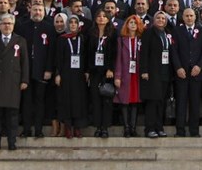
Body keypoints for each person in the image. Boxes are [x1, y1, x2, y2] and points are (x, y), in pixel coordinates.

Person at [0, 13, 29, 151]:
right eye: (4, 23)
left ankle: (12, 142)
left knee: (12, 116)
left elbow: (25, 63)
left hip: (13, 82)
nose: (7, 26)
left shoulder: (20, 40)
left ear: (13, 25)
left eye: (9, 23)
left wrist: (24, 80)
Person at [18, 2, 53, 139]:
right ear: (30, 11)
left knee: (39, 101)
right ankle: (26, 129)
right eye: (35, 10)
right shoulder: (22, 27)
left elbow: (51, 51)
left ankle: (38, 129)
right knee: (26, 101)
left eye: (40, 10)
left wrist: (49, 69)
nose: (37, 12)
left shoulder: (49, 28)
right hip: (26, 70)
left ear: (44, 12)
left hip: (42, 70)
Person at [139, 11, 176, 138]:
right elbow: (144, 53)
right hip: (152, 72)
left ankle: (159, 127)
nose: (161, 20)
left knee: (162, 102)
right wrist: (144, 70)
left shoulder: (167, 33)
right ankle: (150, 128)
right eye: (158, 18)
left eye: (163, 18)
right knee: (152, 101)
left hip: (165, 72)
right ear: (154, 20)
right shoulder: (149, 33)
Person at [173, 6, 202, 137]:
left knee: (195, 102)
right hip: (181, 73)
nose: (189, 18)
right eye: (186, 16)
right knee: (181, 102)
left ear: (195, 17)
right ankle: (180, 130)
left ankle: (194, 131)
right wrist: (178, 67)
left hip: (196, 73)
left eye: (191, 16)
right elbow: (174, 51)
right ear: (183, 17)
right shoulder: (177, 31)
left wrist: (199, 66)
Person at [53, 14, 88, 138]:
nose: (73, 24)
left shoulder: (82, 38)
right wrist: (58, 74)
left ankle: (77, 127)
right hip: (66, 73)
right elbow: (58, 58)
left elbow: (86, 56)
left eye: (75, 22)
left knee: (78, 100)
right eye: (71, 22)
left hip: (79, 74)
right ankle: (68, 127)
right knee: (66, 100)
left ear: (79, 25)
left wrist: (87, 72)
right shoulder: (62, 39)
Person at [86, 9, 117, 138]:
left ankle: (105, 127)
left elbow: (115, 53)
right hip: (94, 71)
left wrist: (111, 69)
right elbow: (86, 53)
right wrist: (87, 71)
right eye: (99, 16)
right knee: (95, 100)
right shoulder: (90, 33)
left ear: (108, 19)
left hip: (107, 72)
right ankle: (97, 126)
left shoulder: (113, 34)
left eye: (104, 16)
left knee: (107, 99)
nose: (101, 18)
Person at [114, 14, 145, 137]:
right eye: (130, 22)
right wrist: (117, 75)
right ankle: (126, 127)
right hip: (125, 74)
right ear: (126, 25)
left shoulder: (141, 40)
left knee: (135, 101)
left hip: (137, 74)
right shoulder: (121, 40)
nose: (133, 25)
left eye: (135, 23)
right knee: (125, 101)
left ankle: (133, 127)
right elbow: (118, 59)